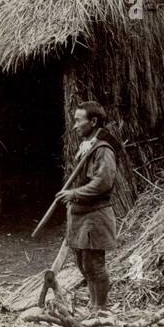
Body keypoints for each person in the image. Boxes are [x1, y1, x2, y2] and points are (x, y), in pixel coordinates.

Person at [57, 101, 118, 314]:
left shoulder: (103, 150)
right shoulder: (87, 147)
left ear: (93, 122)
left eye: (78, 120)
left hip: (95, 215)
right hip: (81, 214)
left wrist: (74, 193)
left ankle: (100, 308)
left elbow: (103, 182)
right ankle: (93, 305)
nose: (74, 125)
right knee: (83, 265)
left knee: (94, 265)